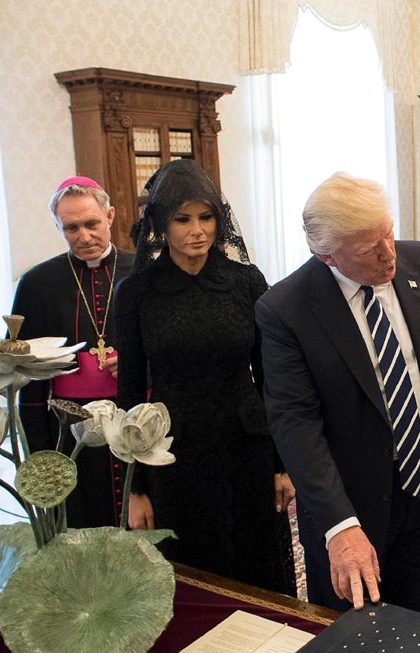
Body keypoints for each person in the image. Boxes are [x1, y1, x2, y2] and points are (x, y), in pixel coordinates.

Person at [256, 173, 420, 615]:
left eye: (389, 233)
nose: (388, 254)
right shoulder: (286, 309)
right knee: (350, 635)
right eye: (367, 249)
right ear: (326, 256)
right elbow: (295, 425)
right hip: (349, 501)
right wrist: (339, 525)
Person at [114, 159, 294, 595]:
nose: (197, 230)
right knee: (191, 567)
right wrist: (134, 489)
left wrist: (281, 466)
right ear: (162, 224)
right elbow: (131, 393)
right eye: (183, 219)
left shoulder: (246, 282)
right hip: (174, 453)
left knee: (254, 560)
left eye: (206, 217)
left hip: (246, 445)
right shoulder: (136, 293)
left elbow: (270, 380)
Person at [12, 177, 134, 527]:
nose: (84, 236)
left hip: (131, 412)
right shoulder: (37, 283)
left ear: (110, 216)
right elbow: (28, 372)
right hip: (68, 423)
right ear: (58, 227)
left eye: (92, 224)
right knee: (82, 519)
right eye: (71, 228)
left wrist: (138, 365)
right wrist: (37, 449)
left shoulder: (142, 271)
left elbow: (168, 347)